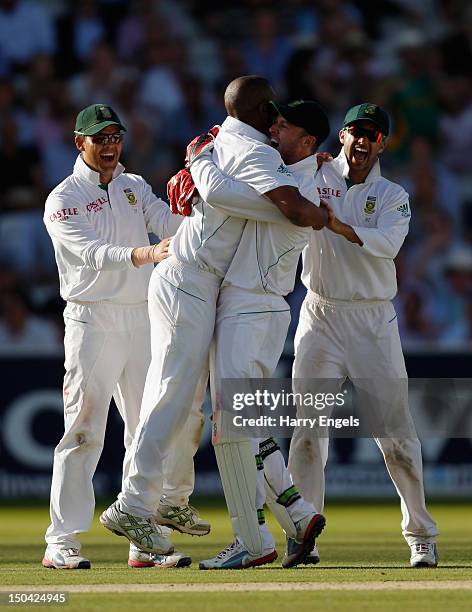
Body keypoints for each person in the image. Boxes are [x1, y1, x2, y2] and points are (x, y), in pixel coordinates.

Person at [100, 76, 329, 569]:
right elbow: (253, 199)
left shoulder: (235, 143)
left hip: (215, 289)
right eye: (277, 114)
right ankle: (136, 503)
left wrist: (205, 164)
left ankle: (283, 516)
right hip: (191, 280)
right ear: (263, 112)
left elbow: (235, 193)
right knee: (181, 397)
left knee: (222, 412)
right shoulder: (258, 152)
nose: (280, 122)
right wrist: (300, 208)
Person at [42, 103, 204, 570]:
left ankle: (142, 538)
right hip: (92, 320)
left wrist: (209, 212)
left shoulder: (134, 186)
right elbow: (91, 253)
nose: (111, 146)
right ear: (80, 143)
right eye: (101, 138)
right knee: (84, 431)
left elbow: (172, 224)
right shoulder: (63, 198)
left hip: (142, 319)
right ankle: (62, 541)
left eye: (116, 137)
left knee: (145, 429)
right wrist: (147, 253)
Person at [288, 103, 439, 567]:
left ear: (382, 144)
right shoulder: (313, 173)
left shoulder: (393, 195)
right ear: (343, 136)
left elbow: (387, 246)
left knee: (395, 436)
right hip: (320, 316)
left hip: (373, 322)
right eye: (355, 132)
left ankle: (420, 534)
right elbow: (276, 187)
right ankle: (303, 533)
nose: (361, 142)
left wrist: (335, 223)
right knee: (308, 433)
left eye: (371, 136)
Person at [184, 100, 331, 568]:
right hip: (255, 309)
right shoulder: (293, 170)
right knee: (252, 428)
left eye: (284, 126)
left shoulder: (293, 185)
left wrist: (200, 159)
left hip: (252, 307)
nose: (274, 128)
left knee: (231, 430)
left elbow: (223, 194)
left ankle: (252, 540)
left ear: (307, 141)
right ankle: (298, 516)